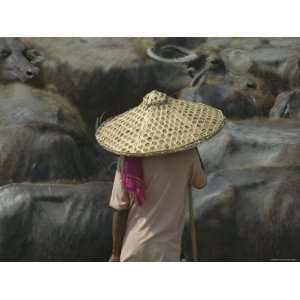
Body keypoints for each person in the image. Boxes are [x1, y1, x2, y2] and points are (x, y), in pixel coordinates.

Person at [95, 90, 225, 262]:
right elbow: (200, 183)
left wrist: (115, 253)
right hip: (166, 250)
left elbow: (120, 209)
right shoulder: (187, 154)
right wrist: (193, 146)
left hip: (132, 248)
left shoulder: (128, 158)